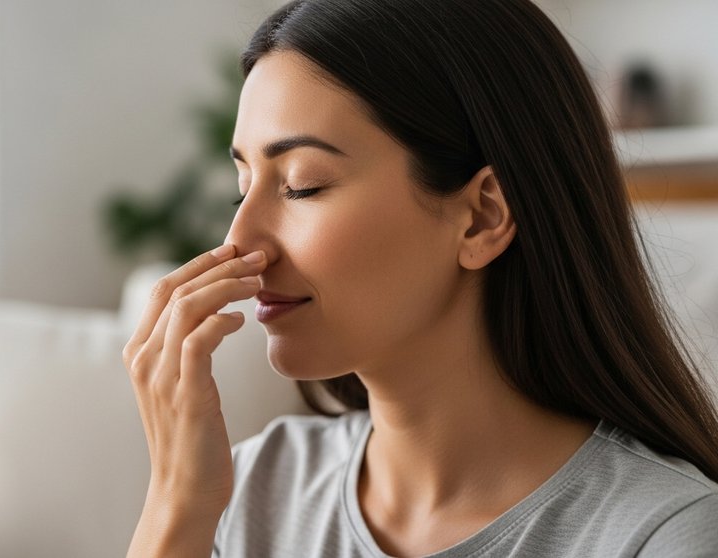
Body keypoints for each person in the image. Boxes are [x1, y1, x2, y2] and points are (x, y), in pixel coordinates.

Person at [123, 0, 718, 556]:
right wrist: (176, 505)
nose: (239, 241)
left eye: (303, 185)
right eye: (242, 188)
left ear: (483, 216)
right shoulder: (251, 489)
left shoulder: (662, 534)